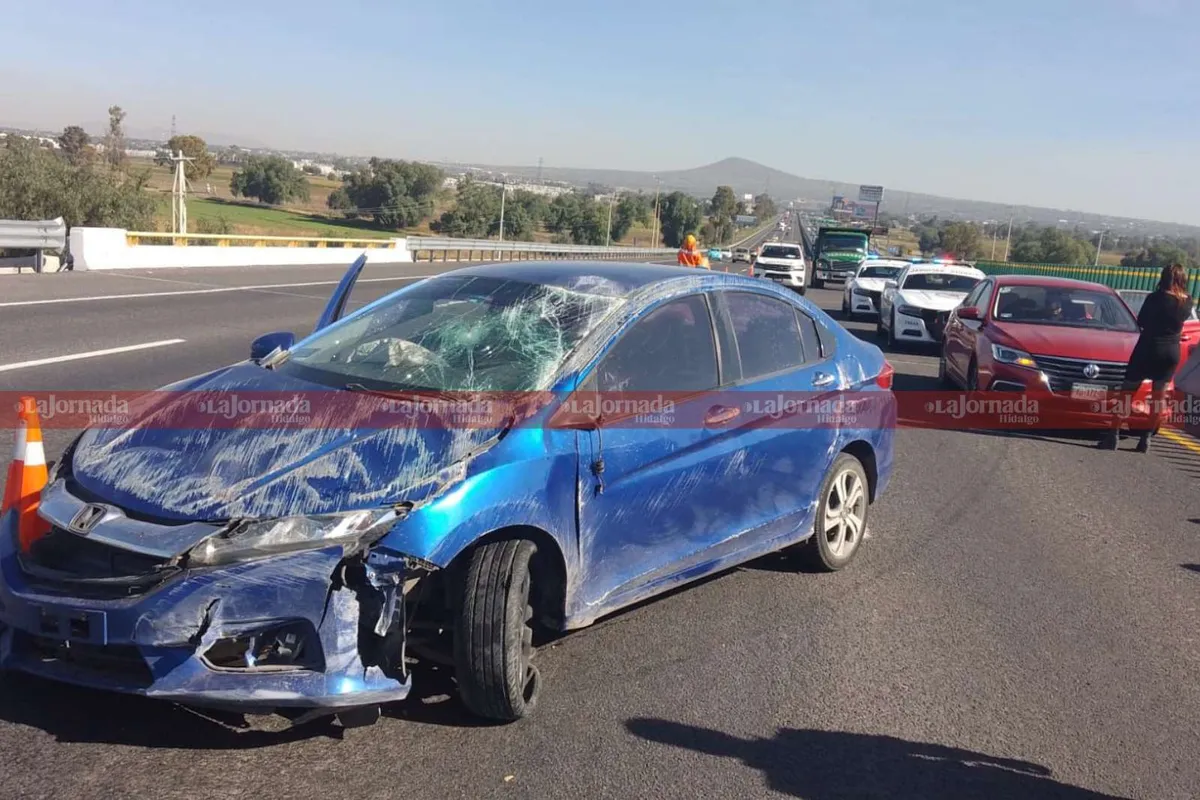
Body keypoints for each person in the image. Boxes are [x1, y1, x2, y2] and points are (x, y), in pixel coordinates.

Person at [1103, 263, 1194, 452]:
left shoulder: (1155, 298)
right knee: (1158, 397)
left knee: (1126, 393)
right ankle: (1146, 439)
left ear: (1164, 278)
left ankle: (1113, 435)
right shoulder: (1187, 301)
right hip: (1171, 351)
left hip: (1148, 348)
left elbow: (1142, 321)